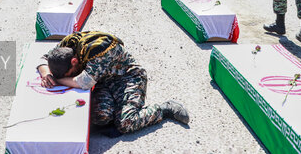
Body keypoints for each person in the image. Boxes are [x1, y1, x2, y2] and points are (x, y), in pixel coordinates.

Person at [37, 31, 189, 135]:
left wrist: (57, 80)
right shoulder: (67, 45)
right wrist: (47, 74)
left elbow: (84, 82)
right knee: (100, 116)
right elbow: (43, 58)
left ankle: (165, 109)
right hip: (105, 80)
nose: (67, 78)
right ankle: (119, 109)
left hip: (128, 78)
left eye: (68, 74)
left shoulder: (97, 51)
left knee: (126, 123)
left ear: (74, 61)